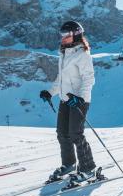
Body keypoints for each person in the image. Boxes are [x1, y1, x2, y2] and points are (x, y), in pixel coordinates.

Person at [39, 20, 97, 184]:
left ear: (76, 35)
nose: (62, 38)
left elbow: (89, 79)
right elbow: (61, 79)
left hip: (79, 101)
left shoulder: (82, 55)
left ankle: (88, 169)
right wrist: (50, 92)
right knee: (62, 133)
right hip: (65, 100)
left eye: (66, 35)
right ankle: (69, 164)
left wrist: (80, 98)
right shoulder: (64, 54)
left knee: (76, 134)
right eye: (61, 34)